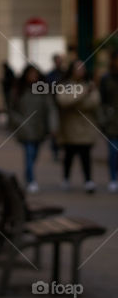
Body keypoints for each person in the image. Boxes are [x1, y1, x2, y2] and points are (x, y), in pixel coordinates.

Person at [8, 65, 56, 193]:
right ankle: (31, 180)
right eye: (30, 74)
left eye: (35, 74)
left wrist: (52, 126)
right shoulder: (19, 90)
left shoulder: (42, 90)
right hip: (26, 128)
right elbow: (12, 110)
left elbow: (50, 108)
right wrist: (19, 122)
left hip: (39, 128)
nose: (33, 77)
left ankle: (29, 175)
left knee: (34, 154)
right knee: (29, 152)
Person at [56, 59, 101, 193]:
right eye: (77, 68)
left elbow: (94, 102)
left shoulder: (90, 85)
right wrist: (83, 95)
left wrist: (75, 102)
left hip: (86, 128)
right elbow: (64, 101)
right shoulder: (65, 85)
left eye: (82, 68)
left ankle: (88, 180)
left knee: (85, 155)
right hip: (69, 128)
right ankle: (66, 178)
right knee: (69, 155)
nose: (80, 71)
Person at [98, 49, 118, 193]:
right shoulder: (106, 79)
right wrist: (103, 119)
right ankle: (113, 178)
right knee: (113, 152)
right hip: (111, 122)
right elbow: (101, 101)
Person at [46, 54, 67, 161]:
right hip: (54, 104)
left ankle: (62, 149)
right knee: (54, 129)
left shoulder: (65, 74)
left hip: (64, 106)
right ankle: (55, 150)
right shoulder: (50, 75)